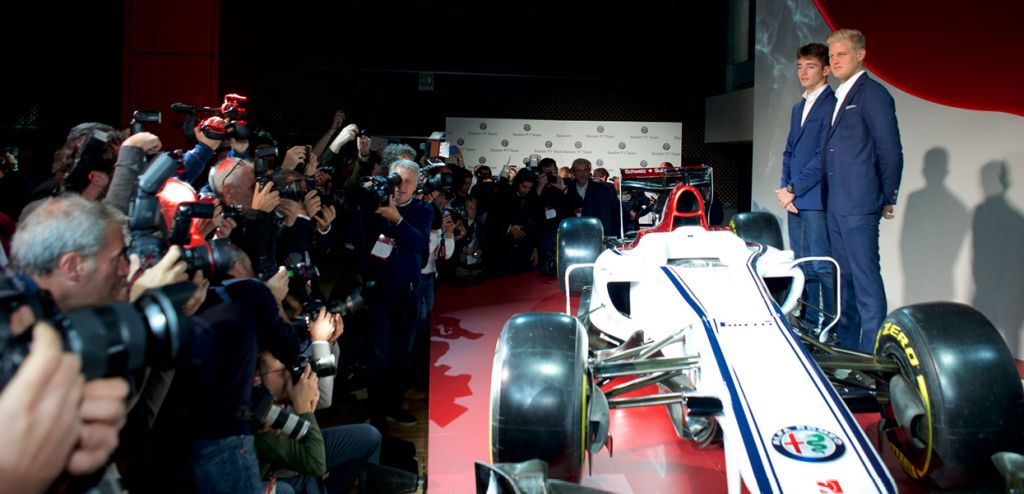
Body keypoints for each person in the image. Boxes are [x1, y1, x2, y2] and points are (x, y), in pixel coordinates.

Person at [822, 29, 903, 352]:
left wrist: (887, 196)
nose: (835, 61)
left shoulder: (873, 94)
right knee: (845, 280)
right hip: (837, 203)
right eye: (831, 56)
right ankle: (848, 348)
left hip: (860, 203)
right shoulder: (839, 96)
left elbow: (890, 150)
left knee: (865, 279)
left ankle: (872, 355)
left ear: (860, 55)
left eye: (841, 54)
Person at [775, 42, 836, 332]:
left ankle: (834, 326)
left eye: (810, 66)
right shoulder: (798, 107)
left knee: (823, 265)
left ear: (825, 70)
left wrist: (793, 188)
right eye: (800, 66)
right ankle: (809, 323)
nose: (803, 72)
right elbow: (790, 152)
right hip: (795, 198)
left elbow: (823, 157)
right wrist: (785, 191)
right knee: (803, 263)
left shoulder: (832, 104)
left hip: (816, 197)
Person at [564, 158, 620, 237]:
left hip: (595, 234)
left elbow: (606, 216)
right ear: (573, 172)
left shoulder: (601, 189)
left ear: (589, 171)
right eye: (578, 170)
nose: (582, 173)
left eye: (585, 170)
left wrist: (605, 237)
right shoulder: (567, 188)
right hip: (571, 234)